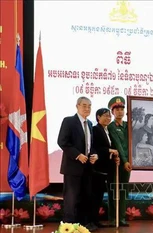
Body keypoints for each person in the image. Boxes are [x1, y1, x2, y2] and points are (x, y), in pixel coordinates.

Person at [57, 96, 98, 231]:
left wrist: (94, 155)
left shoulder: (90, 124)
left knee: (86, 197)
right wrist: (77, 155)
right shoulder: (69, 121)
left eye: (89, 106)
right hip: (72, 167)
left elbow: (89, 145)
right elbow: (62, 142)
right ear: (77, 106)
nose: (87, 108)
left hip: (87, 167)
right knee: (71, 199)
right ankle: (68, 227)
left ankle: (82, 225)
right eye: (84, 105)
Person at [91, 108, 120, 228]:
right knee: (94, 196)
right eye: (105, 116)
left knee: (99, 196)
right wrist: (109, 150)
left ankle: (95, 221)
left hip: (105, 169)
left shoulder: (107, 130)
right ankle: (91, 221)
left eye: (109, 116)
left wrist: (114, 157)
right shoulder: (95, 129)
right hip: (97, 169)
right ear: (98, 117)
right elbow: (95, 147)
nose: (108, 118)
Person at [107, 96, 132, 227]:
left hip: (127, 164)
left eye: (122, 109)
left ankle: (121, 218)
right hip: (116, 164)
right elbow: (118, 145)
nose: (120, 112)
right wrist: (124, 161)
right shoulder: (111, 127)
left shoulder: (128, 125)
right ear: (112, 112)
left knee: (123, 190)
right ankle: (113, 218)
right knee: (113, 191)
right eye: (117, 109)